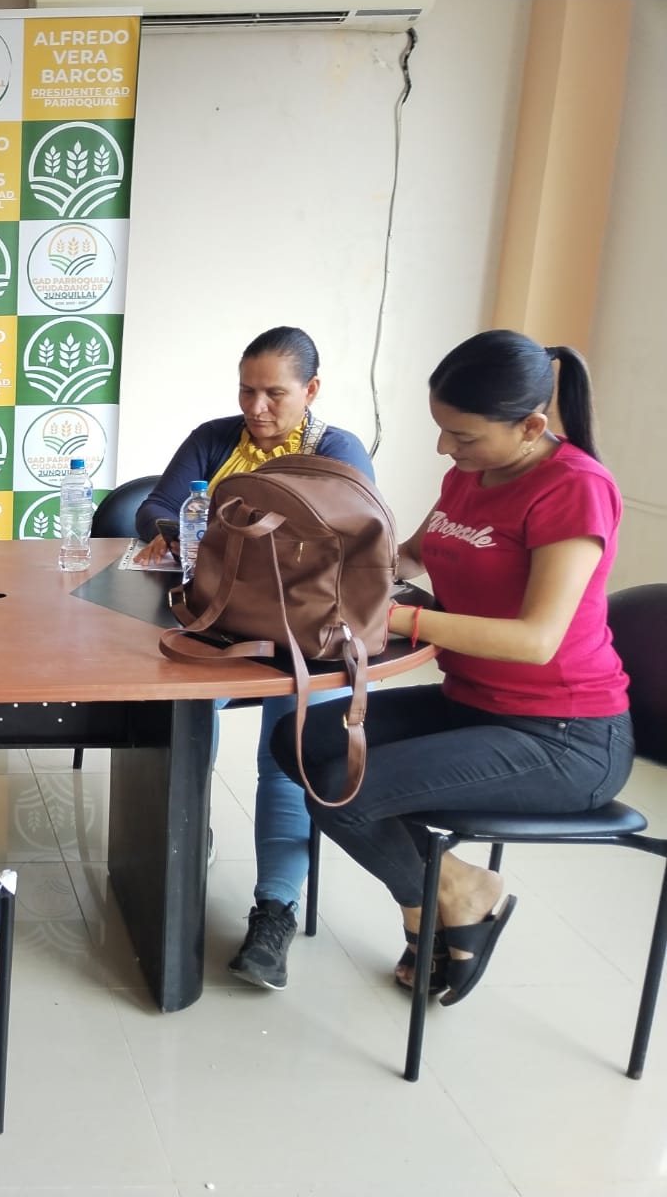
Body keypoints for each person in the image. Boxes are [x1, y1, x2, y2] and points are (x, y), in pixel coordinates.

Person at [276, 330, 632, 1003]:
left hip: (564, 736)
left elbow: (535, 641)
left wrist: (396, 620)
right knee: (299, 738)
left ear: (530, 427)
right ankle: (452, 887)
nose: (445, 448)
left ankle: (439, 902)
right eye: (440, 429)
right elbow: (412, 556)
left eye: (461, 436)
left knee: (342, 786)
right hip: (473, 701)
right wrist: (325, 569)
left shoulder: (574, 489)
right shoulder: (470, 474)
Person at [134, 327, 376, 990]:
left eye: (274, 393)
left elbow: (345, 545)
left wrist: (215, 535)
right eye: (246, 390)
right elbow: (156, 506)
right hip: (220, 624)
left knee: (290, 751)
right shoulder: (216, 438)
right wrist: (178, 532)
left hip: (309, 636)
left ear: (311, 390)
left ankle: (275, 910)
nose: (256, 408)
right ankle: (188, 839)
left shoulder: (338, 452)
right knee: (181, 717)